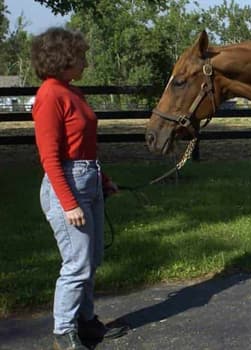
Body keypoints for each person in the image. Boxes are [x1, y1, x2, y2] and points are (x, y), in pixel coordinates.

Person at [31, 27, 127, 350]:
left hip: (88, 179)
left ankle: (86, 323)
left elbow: (84, 146)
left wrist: (103, 180)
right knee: (77, 263)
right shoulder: (50, 94)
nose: (85, 61)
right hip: (67, 186)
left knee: (92, 258)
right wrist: (68, 202)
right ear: (63, 58)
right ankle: (63, 330)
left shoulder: (73, 92)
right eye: (81, 55)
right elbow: (50, 157)